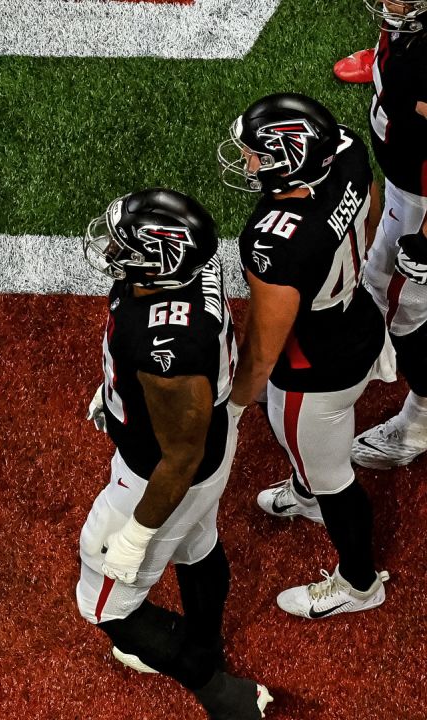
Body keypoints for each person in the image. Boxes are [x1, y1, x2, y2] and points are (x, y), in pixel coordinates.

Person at [77, 188, 271, 719]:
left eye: (127, 246)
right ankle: (206, 644)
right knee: (197, 544)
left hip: (163, 475)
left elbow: (179, 456)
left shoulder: (167, 342)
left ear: (161, 261)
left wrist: (135, 537)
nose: (115, 252)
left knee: (106, 609)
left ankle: (222, 694)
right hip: (208, 438)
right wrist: (120, 395)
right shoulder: (191, 271)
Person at [217, 92, 391, 619]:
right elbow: (374, 205)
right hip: (359, 318)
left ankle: (359, 583)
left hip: (314, 369)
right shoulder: (347, 152)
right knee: (317, 461)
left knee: (335, 480)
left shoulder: (272, 242)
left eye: (259, 155)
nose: (249, 164)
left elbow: (266, 351)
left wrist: (232, 404)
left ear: (292, 157)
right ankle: (306, 488)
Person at [353, 0, 427, 468]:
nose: (389, 2)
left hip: (421, 205)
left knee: (407, 315)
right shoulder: (409, 29)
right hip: (407, 192)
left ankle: (420, 423)